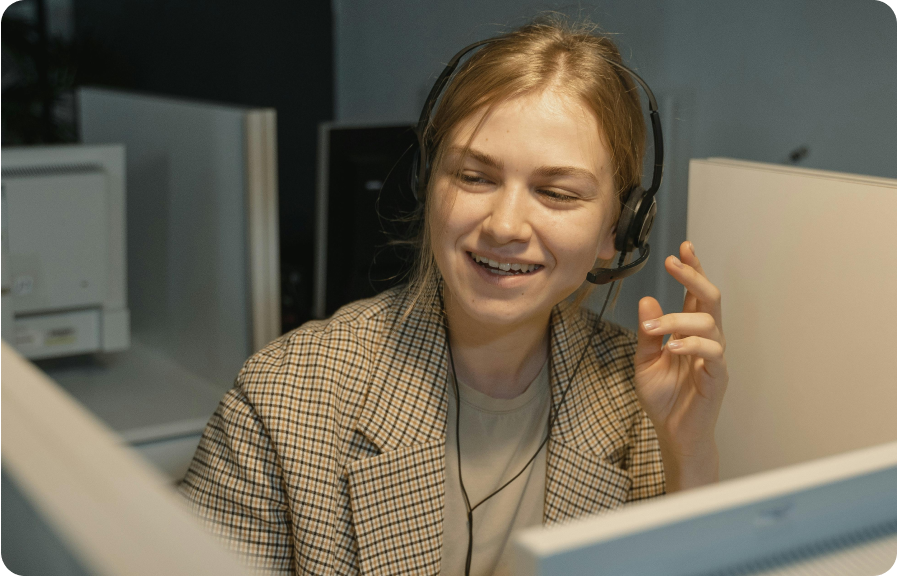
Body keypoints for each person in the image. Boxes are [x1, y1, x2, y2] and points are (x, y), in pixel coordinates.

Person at [180, 16, 729, 576]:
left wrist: (688, 447)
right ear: (429, 186)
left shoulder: (643, 402)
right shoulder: (284, 398)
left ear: (621, 230)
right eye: (474, 177)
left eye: (556, 192)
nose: (505, 225)